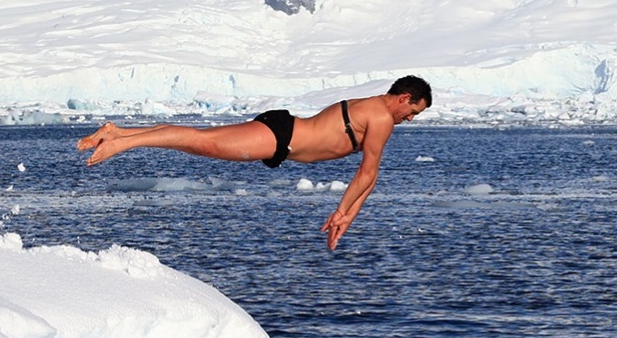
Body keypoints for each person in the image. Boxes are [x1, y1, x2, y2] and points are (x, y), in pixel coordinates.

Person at [77, 76, 433, 250]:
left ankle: (118, 132)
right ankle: (121, 143)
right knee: (205, 142)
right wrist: (343, 211)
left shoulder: (373, 107)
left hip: (282, 136)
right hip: (282, 136)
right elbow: (367, 172)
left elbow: (371, 177)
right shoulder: (382, 118)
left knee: (204, 139)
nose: (410, 119)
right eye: (412, 111)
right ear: (404, 97)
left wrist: (347, 215)